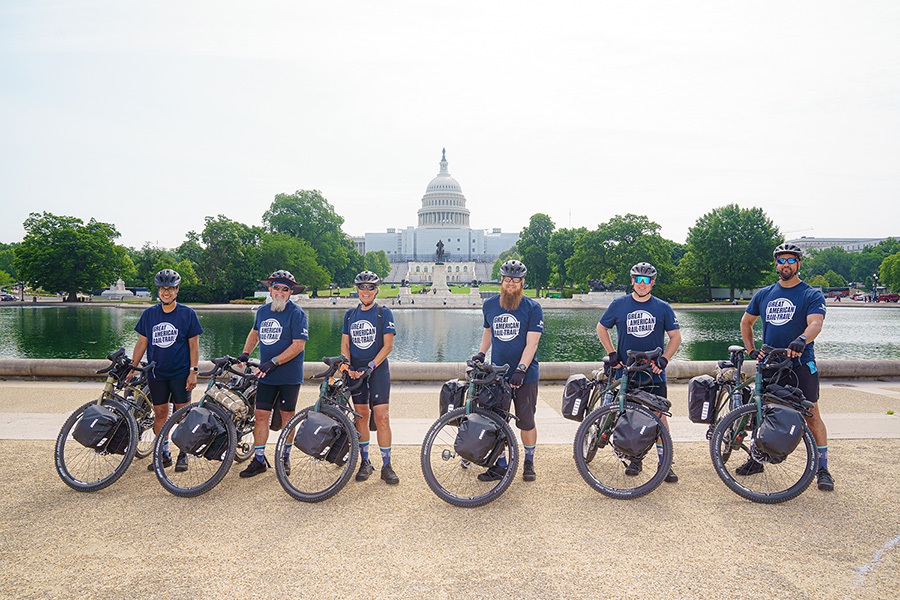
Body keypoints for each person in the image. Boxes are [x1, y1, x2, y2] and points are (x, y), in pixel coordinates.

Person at [740, 243, 834, 491]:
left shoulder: (810, 294)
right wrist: (752, 350)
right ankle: (756, 458)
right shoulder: (764, 294)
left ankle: (822, 468)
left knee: (811, 415)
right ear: (776, 264)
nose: (786, 265)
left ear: (799, 264)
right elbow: (746, 322)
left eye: (791, 260)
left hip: (800, 363)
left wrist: (802, 339)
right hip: (770, 363)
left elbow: (816, 323)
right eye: (781, 261)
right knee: (763, 413)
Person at [596, 262, 682, 483]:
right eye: (638, 279)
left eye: (647, 280)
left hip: (653, 373)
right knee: (627, 418)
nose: (642, 284)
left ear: (652, 282)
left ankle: (666, 463)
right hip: (627, 371)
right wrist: (611, 352)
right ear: (632, 281)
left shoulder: (663, 307)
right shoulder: (619, 305)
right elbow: (601, 328)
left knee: (659, 417)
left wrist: (664, 359)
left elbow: (676, 337)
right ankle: (635, 458)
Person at [472, 259, 543, 482]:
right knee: (495, 420)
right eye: (507, 279)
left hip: (526, 374)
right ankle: (500, 465)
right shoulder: (490, 305)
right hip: (498, 374)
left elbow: (532, 343)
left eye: (516, 280)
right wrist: (481, 354)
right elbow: (488, 332)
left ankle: (528, 461)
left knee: (526, 421)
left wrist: (521, 369)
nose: (511, 284)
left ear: (522, 282)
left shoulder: (533, 308)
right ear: (501, 281)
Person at [236, 270, 309, 478]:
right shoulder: (262, 311)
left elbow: (299, 345)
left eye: (284, 289)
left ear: (290, 292)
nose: (280, 292)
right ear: (270, 289)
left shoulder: (296, 314)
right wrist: (245, 353)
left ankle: (285, 456)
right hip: (266, 374)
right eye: (276, 287)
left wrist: (273, 362)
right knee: (260, 415)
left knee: (287, 416)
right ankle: (259, 459)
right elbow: (255, 333)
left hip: (288, 375)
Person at [131, 269, 202, 472]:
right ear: (159, 291)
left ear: (177, 290)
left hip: (180, 373)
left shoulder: (187, 314)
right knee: (160, 413)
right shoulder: (150, 314)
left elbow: (194, 346)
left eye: (170, 288)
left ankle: (183, 454)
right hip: (157, 373)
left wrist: (193, 371)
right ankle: (163, 453)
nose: (166, 292)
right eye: (163, 289)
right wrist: (133, 367)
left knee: (182, 415)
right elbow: (142, 342)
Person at [342, 271, 399, 484]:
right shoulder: (349, 315)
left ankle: (387, 464)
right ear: (357, 289)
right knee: (361, 416)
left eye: (370, 287)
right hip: (356, 372)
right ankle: (365, 462)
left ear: (376, 290)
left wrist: (371, 366)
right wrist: (346, 365)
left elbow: (388, 346)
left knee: (382, 416)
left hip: (377, 371)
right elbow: (345, 344)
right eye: (362, 287)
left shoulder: (384, 313)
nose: (366, 291)